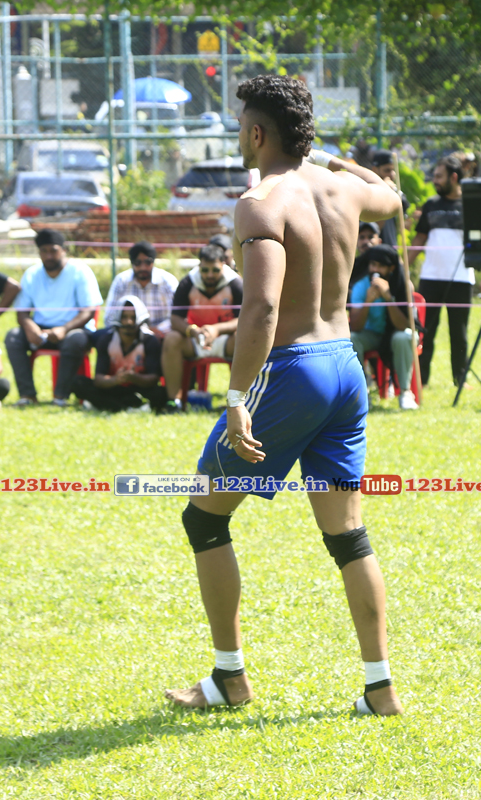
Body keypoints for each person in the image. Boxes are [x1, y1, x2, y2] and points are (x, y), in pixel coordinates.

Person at [164, 74, 405, 716]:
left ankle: (229, 678)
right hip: (345, 369)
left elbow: (263, 307)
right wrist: (329, 158)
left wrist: (237, 395)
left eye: (241, 124)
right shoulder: (341, 187)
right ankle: (379, 689)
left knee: (203, 517)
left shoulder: (260, 201)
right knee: (347, 534)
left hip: (293, 370)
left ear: (256, 133)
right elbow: (393, 196)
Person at [412, 154, 481, 387]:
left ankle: (460, 380)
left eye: (439, 176)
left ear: (453, 177)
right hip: (430, 278)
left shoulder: (470, 205)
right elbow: (419, 239)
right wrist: (402, 267)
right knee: (425, 330)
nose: (434, 180)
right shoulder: (431, 205)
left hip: (462, 279)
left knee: (459, 333)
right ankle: (421, 380)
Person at [6, 228, 102, 406]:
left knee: (75, 340)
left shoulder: (80, 271)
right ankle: (27, 396)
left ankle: (60, 397)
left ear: (64, 250)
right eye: (44, 251)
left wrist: (63, 329)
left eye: (53, 250)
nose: (49, 256)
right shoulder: (32, 274)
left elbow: (89, 311)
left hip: (73, 329)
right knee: (13, 337)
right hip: (41, 331)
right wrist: (30, 327)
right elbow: (22, 312)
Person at [160, 242, 243, 411]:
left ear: (223, 265)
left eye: (215, 270)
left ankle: (240, 402)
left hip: (227, 339)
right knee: (171, 339)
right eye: (205, 270)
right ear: (199, 267)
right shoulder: (188, 283)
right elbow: (175, 319)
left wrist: (216, 329)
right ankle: (174, 402)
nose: (210, 275)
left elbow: (245, 320)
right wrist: (193, 331)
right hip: (196, 338)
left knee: (246, 339)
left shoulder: (235, 283)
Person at [348, 244, 418, 410]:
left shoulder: (402, 285)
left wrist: (389, 298)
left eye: (381, 266)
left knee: (403, 337)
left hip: (395, 334)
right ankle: (361, 393)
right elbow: (355, 327)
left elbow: (403, 325)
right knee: (351, 339)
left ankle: (405, 393)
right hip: (371, 335)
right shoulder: (360, 286)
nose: (375, 270)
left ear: (391, 268)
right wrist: (367, 302)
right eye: (373, 265)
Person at [73, 296, 167, 413]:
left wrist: (133, 377)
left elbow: (153, 378)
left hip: (139, 388)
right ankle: (130, 408)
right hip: (113, 387)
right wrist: (116, 380)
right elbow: (99, 379)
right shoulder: (106, 340)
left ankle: (108, 405)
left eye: (133, 318)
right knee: (78, 383)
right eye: (124, 317)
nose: (129, 322)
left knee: (161, 393)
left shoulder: (150, 340)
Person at [102, 240, 178, 335]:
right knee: (101, 336)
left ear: (153, 262)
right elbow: (110, 317)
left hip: (161, 334)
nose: (143, 267)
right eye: (138, 263)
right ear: (132, 263)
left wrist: (155, 331)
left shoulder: (167, 282)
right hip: (128, 333)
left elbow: (177, 317)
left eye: (147, 262)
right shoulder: (121, 281)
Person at [370, 149, 408, 250]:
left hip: (391, 249)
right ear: (375, 169)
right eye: (387, 170)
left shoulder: (394, 192)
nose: (391, 175)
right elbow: (373, 228)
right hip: (373, 252)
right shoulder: (368, 192)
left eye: (393, 170)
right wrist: (384, 192)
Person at [349, 221, 382, 288]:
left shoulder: (386, 264)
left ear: (379, 241)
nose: (366, 241)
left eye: (370, 237)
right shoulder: (351, 267)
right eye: (362, 237)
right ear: (356, 241)